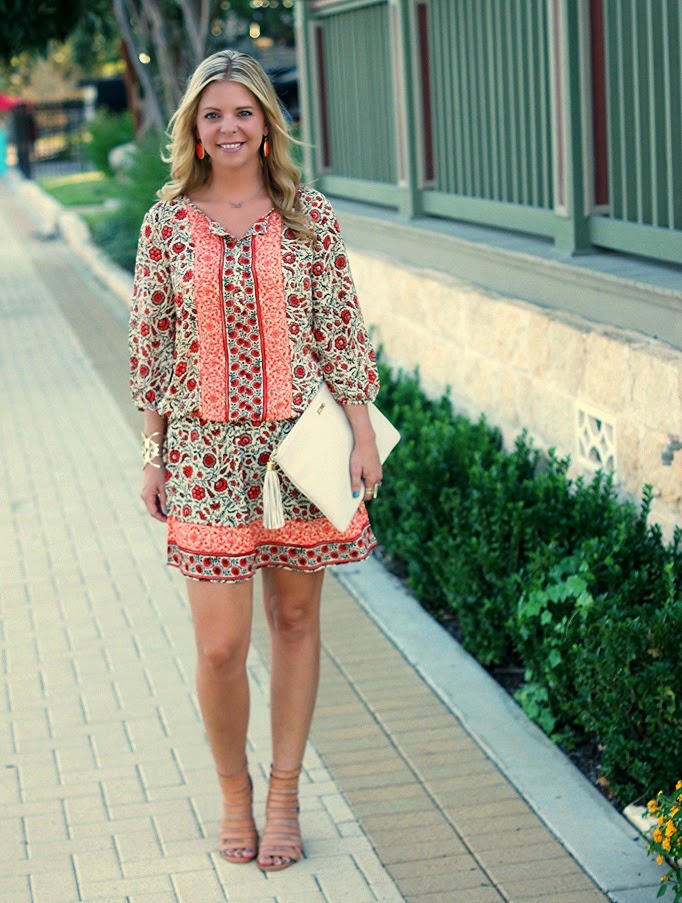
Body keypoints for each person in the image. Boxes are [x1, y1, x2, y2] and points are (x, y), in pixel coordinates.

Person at [128, 49, 382, 872]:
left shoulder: (309, 216)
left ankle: (283, 793)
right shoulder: (166, 223)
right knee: (219, 647)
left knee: (297, 619)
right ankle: (232, 788)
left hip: (297, 449)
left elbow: (340, 329)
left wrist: (363, 432)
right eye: (213, 114)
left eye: (244, 111)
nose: (229, 126)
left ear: (267, 123)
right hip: (203, 453)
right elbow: (153, 342)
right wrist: (152, 452)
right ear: (195, 132)